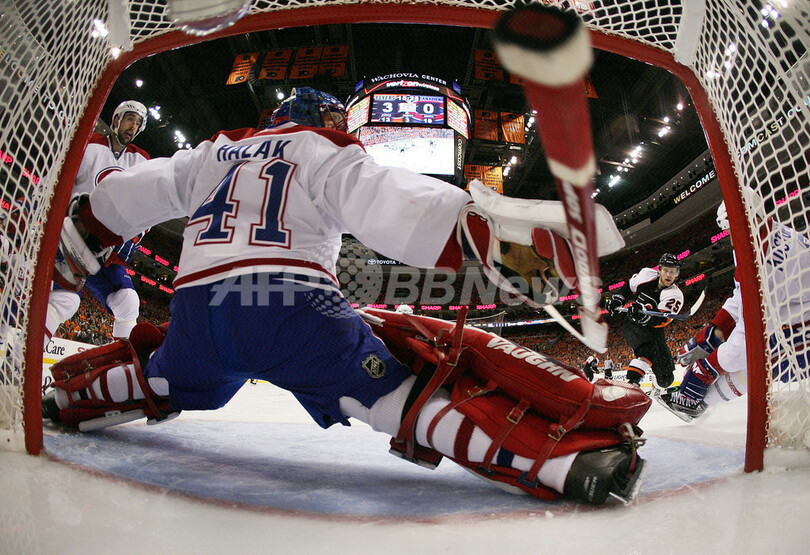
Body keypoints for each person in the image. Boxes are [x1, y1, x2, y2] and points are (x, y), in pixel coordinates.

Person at [43, 87, 650, 505]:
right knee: (398, 390)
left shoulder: (214, 153)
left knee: (167, 376)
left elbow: (122, 200)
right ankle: (568, 466)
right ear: (327, 122)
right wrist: (490, 233)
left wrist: (83, 237)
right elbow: (392, 207)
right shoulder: (324, 150)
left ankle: (69, 396)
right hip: (292, 302)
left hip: (196, 311)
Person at [657, 198, 810, 420]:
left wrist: (706, 369)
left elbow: (747, 341)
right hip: (795, 319)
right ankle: (697, 403)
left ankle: (699, 403)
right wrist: (714, 332)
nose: (730, 236)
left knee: (759, 366)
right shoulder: (758, 239)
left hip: (801, 331)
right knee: (756, 364)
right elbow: (743, 297)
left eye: (731, 229)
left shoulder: (769, 263)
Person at [48, 100, 150, 345]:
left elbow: (147, 205)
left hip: (107, 246)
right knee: (66, 301)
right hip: (72, 237)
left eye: (137, 123)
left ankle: (118, 362)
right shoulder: (88, 145)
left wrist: (134, 238)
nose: (132, 126)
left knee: (128, 302)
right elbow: (58, 185)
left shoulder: (140, 160)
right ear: (115, 120)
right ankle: (19, 352)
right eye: (129, 119)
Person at [605, 254, 684, 389]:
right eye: (666, 270)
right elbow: (628, 286)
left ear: (677, 274)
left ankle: (656, 388)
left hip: (654, 329)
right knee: (648, 350)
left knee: (666, 378)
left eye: (673, 271)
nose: (669, 275)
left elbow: (662, 320)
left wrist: (643, 315)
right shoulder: (646, 275)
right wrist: (618, 298)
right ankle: (632, 384)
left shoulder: (675, 295)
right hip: (632, 324)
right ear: (659, 270)